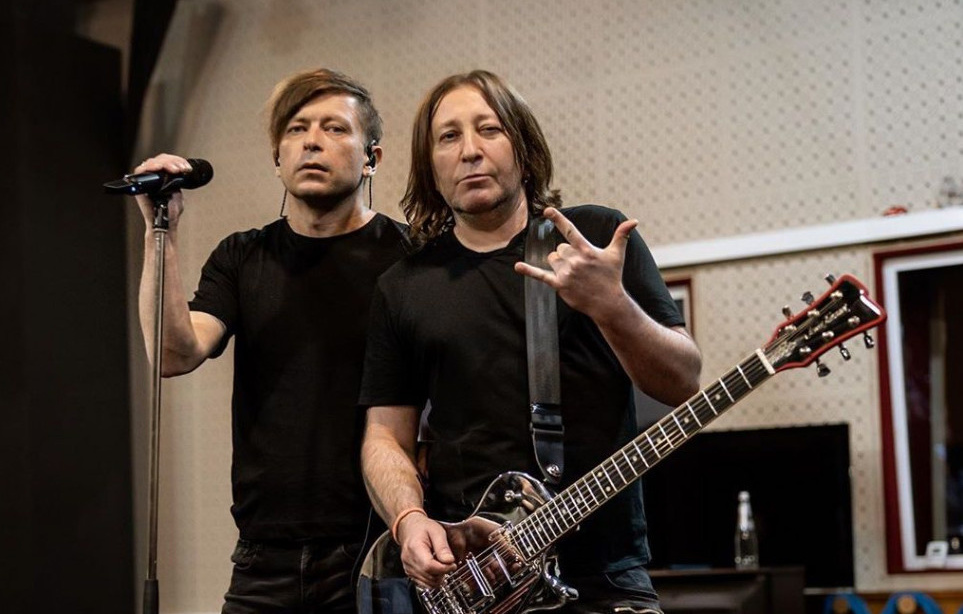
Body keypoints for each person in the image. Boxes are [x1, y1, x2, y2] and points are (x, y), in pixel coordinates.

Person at [359, 70, 702, 613]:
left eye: (489, 129)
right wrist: (408, 519)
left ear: (523, 147)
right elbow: (385, 436)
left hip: (606, 577)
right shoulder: (403, 287)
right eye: (448, 137)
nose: (470, 150)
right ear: (430, 166)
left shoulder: (592, 240)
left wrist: (611, 304)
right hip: (472, 585)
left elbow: (682, 381)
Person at [134, 68, 409, 613]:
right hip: (263, 557)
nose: (312, 141)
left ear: (371, 157)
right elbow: (173, 353)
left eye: (334, 128)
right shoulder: (243, 256)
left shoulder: (410, 260)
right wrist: (159, 229)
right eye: (297, 129)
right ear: (277, 158)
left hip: (376, 553)